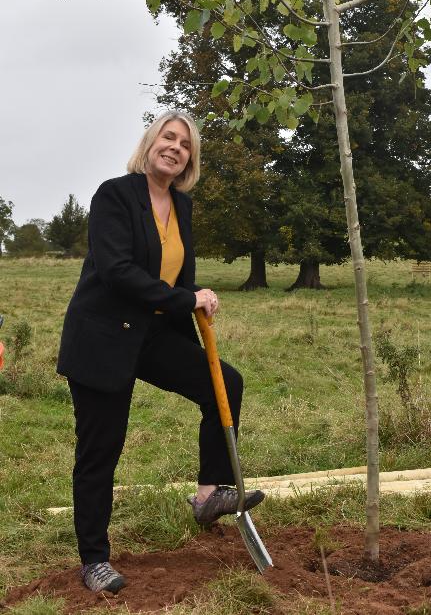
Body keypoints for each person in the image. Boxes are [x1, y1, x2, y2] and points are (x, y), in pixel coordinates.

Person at [57, 111, 264, 594]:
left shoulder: (181, 206)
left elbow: (177, 277)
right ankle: (94, 560)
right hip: (102, 339)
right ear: (150, 143)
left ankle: (210, 492)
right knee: (100, 452)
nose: (174, 147)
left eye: (185, 144)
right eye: (167, 137)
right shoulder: (115, 195)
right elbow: (118, 271)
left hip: (150, 335)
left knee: (224, 385)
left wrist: (197, 299)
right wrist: (184, 299)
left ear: (190, 158)